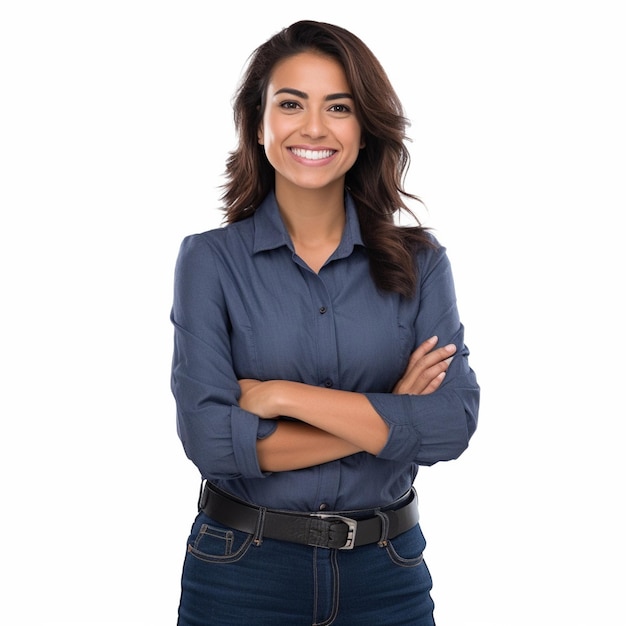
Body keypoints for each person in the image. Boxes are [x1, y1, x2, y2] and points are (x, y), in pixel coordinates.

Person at [170, 20, 479, 626]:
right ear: (259, 125)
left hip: (386, 572)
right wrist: (389, 412)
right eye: (291, 104)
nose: (313, 127)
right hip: (242, 571)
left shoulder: (421, 263)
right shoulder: (208, 261)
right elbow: (209, 442)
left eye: (338, 106)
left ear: (364, 129)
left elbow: (450, 426)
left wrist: (283, 397)